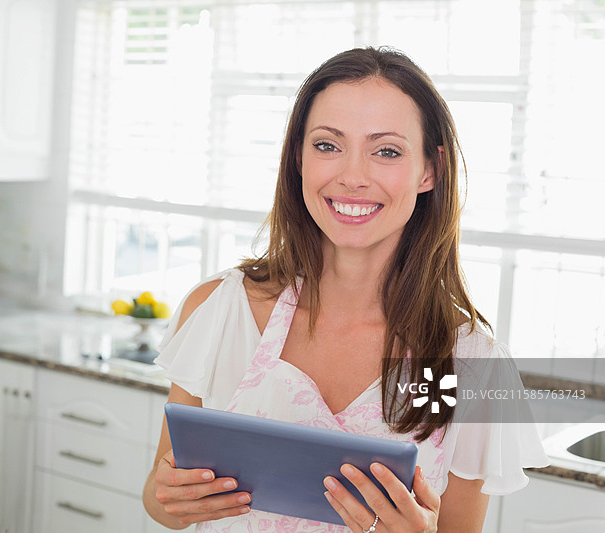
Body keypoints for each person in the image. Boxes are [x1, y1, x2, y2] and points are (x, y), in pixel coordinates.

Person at [142, 46, 548, 533]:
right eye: (328, 145)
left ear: (429, 170)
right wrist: (173, 498)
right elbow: (159, 500)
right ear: (299, 157)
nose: (352, 177)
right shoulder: (221, 311)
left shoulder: (468, 367)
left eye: (387, 151)